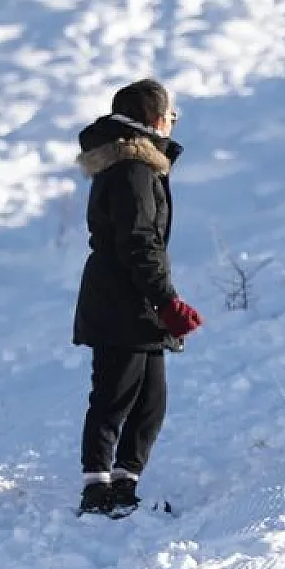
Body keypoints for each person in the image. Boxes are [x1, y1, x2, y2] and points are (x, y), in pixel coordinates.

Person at [73, 78, 203, 517]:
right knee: (114, 394)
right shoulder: (133, 170)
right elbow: (139, 242)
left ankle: (125, 481)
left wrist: (162, 300)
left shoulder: (139, 166)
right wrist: (166, 301)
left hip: (136, 301)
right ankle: (97, 487)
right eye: (170, 115)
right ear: (154, 120)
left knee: (150, 400)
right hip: (121, 301)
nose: (173, 123)